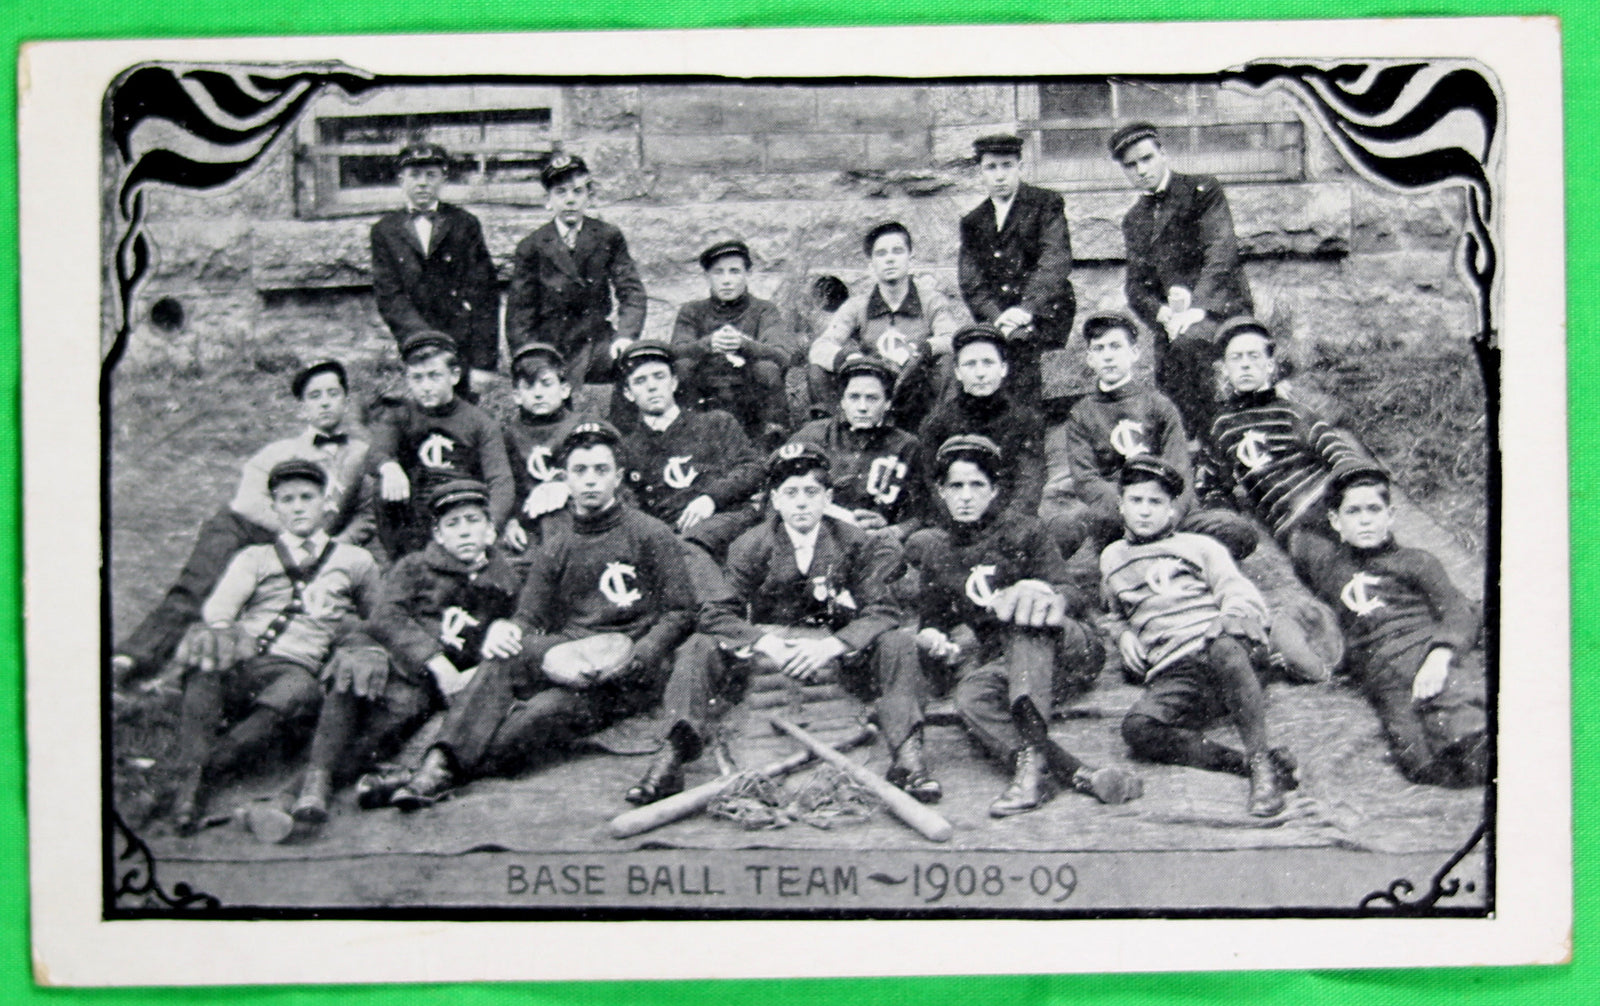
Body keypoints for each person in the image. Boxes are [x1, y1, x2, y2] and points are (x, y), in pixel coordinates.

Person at [387, 421, 697, 808]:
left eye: (601, 471)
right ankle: (437, 766)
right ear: (564, 478)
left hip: (626, 670)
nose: (590, 481)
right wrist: (510, 630)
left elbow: (682, 612)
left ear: (618, 477)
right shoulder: (557, 545)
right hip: (568, 655)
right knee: (504, 655)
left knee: (541, 715)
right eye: (580, 471)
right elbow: (530, 616)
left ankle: (431, 770)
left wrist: (643, 653)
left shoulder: (650, 534)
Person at [629, 443, 939, 806]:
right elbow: (717, 612)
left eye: (811, 492)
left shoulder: (854, 542)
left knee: (898, 642)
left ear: (828, 498)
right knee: (699, 645)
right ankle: (672, 755)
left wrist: (832, 645)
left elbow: (883, 609)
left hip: (837, 656)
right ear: (775, 499)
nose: (802, 503)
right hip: (766, 656)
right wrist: (765, 642)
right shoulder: (751, 544)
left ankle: (907, 756)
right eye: (791, 493)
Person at [902, 435, 1138, 817]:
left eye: (977, 485)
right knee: (971, 696)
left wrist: (1040, 592)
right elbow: (931, 623)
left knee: (1026, 616)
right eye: (955, 486)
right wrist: (933, 639)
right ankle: (1071, 773)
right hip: (1010, 663)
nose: (966, 496)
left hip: (1068, 649)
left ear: (994, 490)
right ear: (942, 492)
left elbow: (1071, 594)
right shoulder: (939, 553)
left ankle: (1030, 775)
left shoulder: (1025, 531)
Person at [112, 359, 372, 687]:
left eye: (332, 394)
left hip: (310, 544)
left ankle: (181, 678)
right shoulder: (280, 451)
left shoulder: (363, 455)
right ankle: (133, 656)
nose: (324, 402)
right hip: (246, 529)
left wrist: (335, 544)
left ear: (345, 400)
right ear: (302, 408)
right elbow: (248, 503)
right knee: (200, 584)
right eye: (314, 396)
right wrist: (295, 535)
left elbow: (366, 513)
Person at [163, 459, 381, 833]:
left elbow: (378, 620)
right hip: (243, 661)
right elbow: (221, 610)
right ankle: (189, 789)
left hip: (295, 667)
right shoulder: (256, 556)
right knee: (207, 664)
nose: (298, 507)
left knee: (297, 690)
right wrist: (223, 636)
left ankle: (194, 777)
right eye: (287, 500)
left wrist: (346, 631)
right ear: (275, 508)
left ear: (325, 503)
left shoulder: (355, 560)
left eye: (307, 498)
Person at [289, 479, 523, 827]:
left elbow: (514, 630)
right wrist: (435, 661)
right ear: (438, 535)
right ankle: (314, 783)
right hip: (394, 663)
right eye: (452, 524)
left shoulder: (505, 580)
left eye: (473, 520)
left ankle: (359, 782)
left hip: (437, 687)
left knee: (397, 729)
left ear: (491, 530)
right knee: (355, 681)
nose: (463, 532)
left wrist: (475, 669)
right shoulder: (415, 566)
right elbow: (386, 615)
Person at [1105, 456, 1295, 818]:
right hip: (1176, 672)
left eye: (1156, 502)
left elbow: (1240, 594)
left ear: (1173, 510)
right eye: (1136, 500)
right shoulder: (1112, 558)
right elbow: (1114, 612)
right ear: (1121, 506)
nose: (1145, 511)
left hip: (1226, 655)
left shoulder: (1199, 547)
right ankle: (1245, 763)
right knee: (1137, 728)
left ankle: (1261, 766)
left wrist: (1226, 620)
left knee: (1224, 646)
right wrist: (1122, 634)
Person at [1293, 465, 1488, 786]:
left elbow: (1455, 610)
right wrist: (1344, 474)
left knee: (1466, 735)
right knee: (1421, 764)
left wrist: (1440, 657)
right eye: (1353, 512)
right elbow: (1300, 532)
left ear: (1391, 515)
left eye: (1374, 509)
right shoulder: (1329, 566)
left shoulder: (1416, 561)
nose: (1366, 519)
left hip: (1427, 652)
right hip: (1385, 677)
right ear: (1334, 521)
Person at [1055, 311, 1256, 568]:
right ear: (1090, 359)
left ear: (1134, 353)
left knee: (1238, 531)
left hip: (1165, 509)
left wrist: (1163, 518)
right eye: (1099, 349)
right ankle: (1170, 554)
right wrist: (1131, 513)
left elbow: (1180, 469)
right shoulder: (1081, 414)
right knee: (1074, 523)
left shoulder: (1159, 405)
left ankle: (1152, 552)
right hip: (1118, 513)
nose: (1108, 356)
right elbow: (1087, 480)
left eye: (1116, 346)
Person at [1110, 122, 1254, 437]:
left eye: (1147, 159)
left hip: (1220, 308)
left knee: (1189, 348)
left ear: (1163, 153)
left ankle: (1215, 440)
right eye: (1131, 166)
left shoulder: (1203, 190)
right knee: (1168, 382)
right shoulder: (1134, 220)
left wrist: (1195, 309)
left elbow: (1221, 254)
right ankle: (1188, 449)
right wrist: (1162, 314)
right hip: (1172, 323)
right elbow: (1135, 287)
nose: (1141, 170)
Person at [1196, 317, 1377, 552]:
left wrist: (1354, 493)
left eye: (1254, 357)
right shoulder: (1221, 427)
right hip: (1292, 522)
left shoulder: (1291, 410)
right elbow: (1211, 485)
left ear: (1270, 365)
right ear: (1224, 369)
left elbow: (1338, 452)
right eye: (1236, 358)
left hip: (1326, 500)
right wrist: (1226, 516)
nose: (1245, 365)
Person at [369, 143, 500, 401]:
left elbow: (484, 294)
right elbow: (389, 295)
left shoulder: (464, 224)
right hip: (415, 344)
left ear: (444, 178)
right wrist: (424, 342)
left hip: (461, 345)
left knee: (462, 416)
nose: (422, 184)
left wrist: (484, 363)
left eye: (431, 175)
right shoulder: (385, 230)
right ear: (400, 180)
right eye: (414, 176)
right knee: (421, 413)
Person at [368, 331, 516, 558]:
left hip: (459, 509)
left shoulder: (479, 422)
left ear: (454, 375)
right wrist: (388, 466)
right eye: (417, 378)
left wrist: (492, 525)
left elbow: (500, 480)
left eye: (434, 376)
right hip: (415, 514)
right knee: (383, 485)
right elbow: (378, 449)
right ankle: (400, 561)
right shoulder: (399, 415)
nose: (425, 386)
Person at [505, 152, 647, 386]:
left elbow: (632, 292)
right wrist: (528, 356)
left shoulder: (607, 236)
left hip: (598, 342)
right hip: (551, 347)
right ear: (547, 199)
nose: (570, 200)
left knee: (632, 372)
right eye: (561, 192)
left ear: (589, 197)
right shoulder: (532, 246)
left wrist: (625, 336)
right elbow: (519, 315)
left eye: (577, 192)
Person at [957, 134, 1075, 410]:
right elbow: (971, 282)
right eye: (991, 167)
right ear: (981, 172)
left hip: (1045, 311)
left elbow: (1054, 261)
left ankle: (1026, 431)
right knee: (983, 352)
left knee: (1020, 346)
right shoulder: (973, 221)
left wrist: (1025, 309)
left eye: (1007, 165)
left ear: (1020, 166)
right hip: (997, 316)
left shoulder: (1045, 204)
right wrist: (998, 317)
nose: (1000, 175)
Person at [808, 221, 961, 430]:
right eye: (881, 254)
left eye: (897, 251)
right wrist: (850, 359)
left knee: (947, 362)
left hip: (916, 390)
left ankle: (936, 434)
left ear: (910, 259)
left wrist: (922, 349)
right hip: (872, 389)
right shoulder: (857, 306)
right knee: (818, 370)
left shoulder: (930, 301)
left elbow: (953, 338)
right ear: (871, 265)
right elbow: (820, 347)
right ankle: (838, 435)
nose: (889, 259)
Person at [613, 341, 763, 551]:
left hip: (726, 521)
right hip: (669, 537)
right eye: (640, 381)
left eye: (659, 376)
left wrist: (711, 498)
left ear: (674, 382)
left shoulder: (716, 423)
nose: (652, 386)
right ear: (628, 393)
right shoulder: (626, 448)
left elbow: (752, 469)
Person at [917, 324, 1048, 523]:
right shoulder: (937, 423)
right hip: (955, 523)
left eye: (988, 363)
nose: (980, 373)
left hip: (1006, 524)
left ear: (1003, 368)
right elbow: (931, 485)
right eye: (970, 364)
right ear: (958, 372)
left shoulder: (1024, 420)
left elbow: (1028, 484)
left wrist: (1000, 525)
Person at [670, 239, 794, 445]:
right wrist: (707, 344)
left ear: (748, 274)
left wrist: (744, 345)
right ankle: (682, 437)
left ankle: (773, 440)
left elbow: (781, 355)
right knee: (681, 367)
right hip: (703, 393)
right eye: (718, 272)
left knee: (767, 368)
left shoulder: (764, 310)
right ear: (707, 276)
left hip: (750, 397)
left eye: (734, 271)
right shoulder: (691, 311)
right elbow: (676, 352)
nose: (726, 281)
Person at [791, 354, 926, 539]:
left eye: (872, 398)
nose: (862, 407)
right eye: (854, 397)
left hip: (872, 539)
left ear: (887, 403)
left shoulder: (906, 446)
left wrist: (894, 531)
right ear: (842, 402)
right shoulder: (813, 435)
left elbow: (924, 511)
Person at [499, 342, 591, 557]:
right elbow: (506, 484)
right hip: (528, 521)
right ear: (516, 396)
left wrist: (564, 485)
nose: (538, 394)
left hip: (575, 514)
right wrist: (510, 521)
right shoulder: (509, 435)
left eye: (546, 384)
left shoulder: (582, 425)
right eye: (529, 387)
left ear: (565, 389)